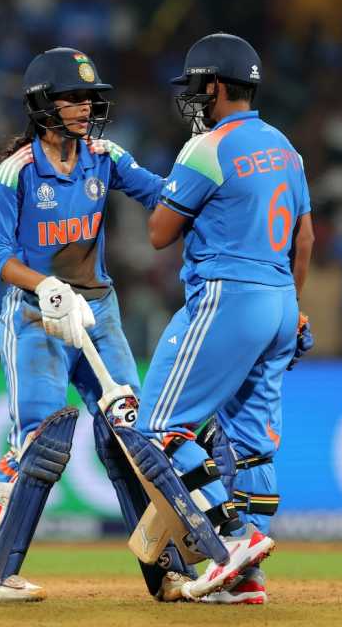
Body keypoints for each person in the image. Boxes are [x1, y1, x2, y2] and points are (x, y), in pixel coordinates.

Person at [0, 47, 187, 602]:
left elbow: (164, 196)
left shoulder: (103, 155)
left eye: (92, 97)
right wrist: (43, 284)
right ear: (43, 105)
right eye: (74, 97)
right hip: (35, 318)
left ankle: (166, 572)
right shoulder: (15, 171)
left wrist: (215, 189)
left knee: (130, 435)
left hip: (98, 313)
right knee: (38, 442)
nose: (87, 106)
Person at [135, 33, 315, 604]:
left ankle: (233, 541)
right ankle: (248, 581)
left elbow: (160, 234)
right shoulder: (287, 148)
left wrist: (170, 184)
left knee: (161, 429)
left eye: (195, 88)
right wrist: (293, 301)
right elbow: (305, 238)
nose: (192, 99)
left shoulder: (207, 148)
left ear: (215, 86)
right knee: (252, 444)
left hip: (228, 297)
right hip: (282, 299)